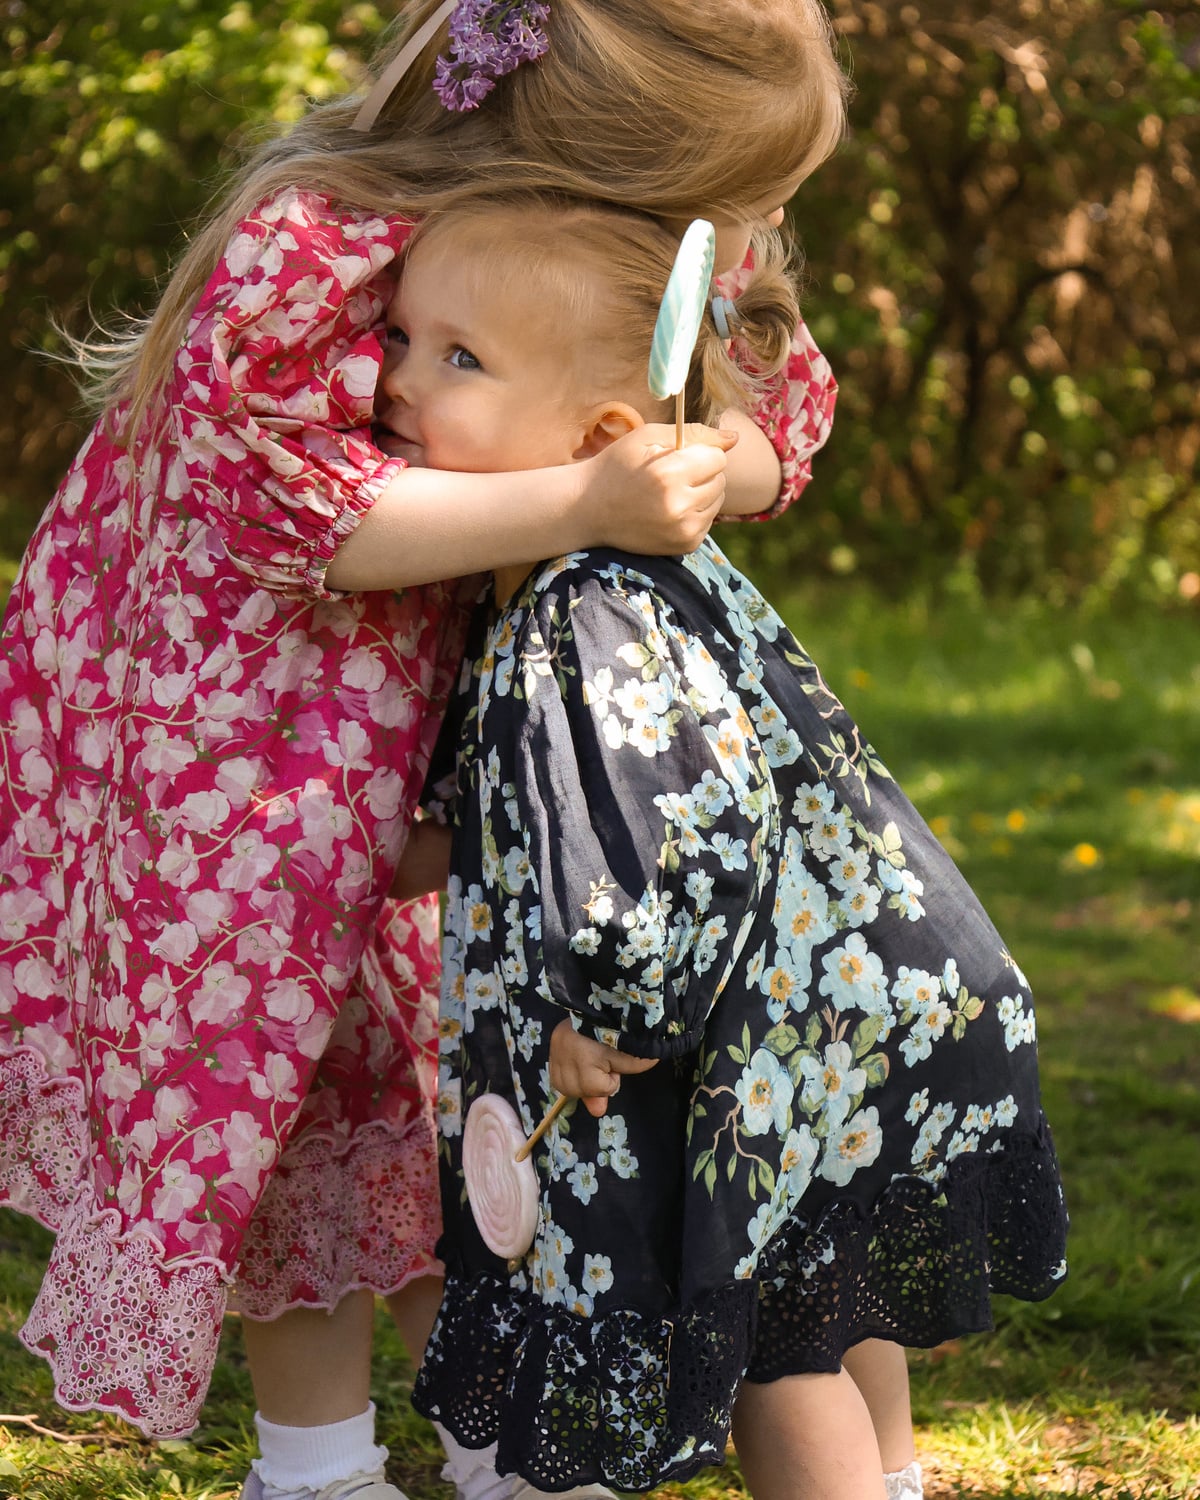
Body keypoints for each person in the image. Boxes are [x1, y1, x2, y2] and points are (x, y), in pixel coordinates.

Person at [0, 2, 851, 1499]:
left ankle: (494, 1435)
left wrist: (713, 460)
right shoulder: (320, 240)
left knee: (454, 1065)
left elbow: (771, 413)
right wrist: (588, 500)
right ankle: (316, 1466)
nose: (744, 229)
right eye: (725, 195)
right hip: (239, 734)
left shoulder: (638, 239)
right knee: (287, 1070)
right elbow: (307, 518)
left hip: (438, 722)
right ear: (594, 155)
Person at [397, 194, 1070, 1500]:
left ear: (599, 435)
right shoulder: (621, 574)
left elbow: (669, 828)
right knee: (817, 1286)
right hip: (825, 1002)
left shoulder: (577, 605)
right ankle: (891, 1483)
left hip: (739, 1025)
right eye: (407, 336)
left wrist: (613, 1010)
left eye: (455, 355)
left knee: (769, 1344)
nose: (395, 374)